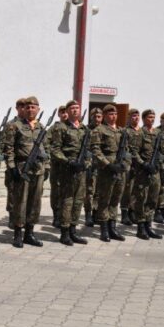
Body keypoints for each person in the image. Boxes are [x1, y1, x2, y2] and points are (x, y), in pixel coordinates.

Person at [4, 96, 50, 248]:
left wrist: (47, 167)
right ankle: (18, 234)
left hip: (38, 170)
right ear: (24, 109)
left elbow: (47, 149)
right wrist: (12, 168)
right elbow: (8, 149)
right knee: (20, 202)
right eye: (28, 107)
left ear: (38, 109)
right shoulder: (15, 126)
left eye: (33, 107)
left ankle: (29, 234)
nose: (30, 109)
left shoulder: (41, 127)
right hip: (22, 168)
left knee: (35, 203)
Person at [50, 100, 89, 246]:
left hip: (81, 170)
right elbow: (55, 149)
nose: (75, 110)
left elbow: (89, 151)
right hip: (67, 170)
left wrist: (86, 164)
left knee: (79, 201)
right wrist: (67, 161)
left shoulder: (84, 129)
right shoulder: (61, 128)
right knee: (67, 201)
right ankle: (64, 233)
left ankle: (73, 231)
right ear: (67, 111)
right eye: (72, 108)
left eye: (77, 108)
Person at [90, 104, 128, 242]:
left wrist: (125, 164)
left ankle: (113, 227)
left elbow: (127, 151)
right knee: (104, 200)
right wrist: (108, 164)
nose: (114, 116)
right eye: (110, 114)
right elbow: (95, 150)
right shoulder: (99, 130)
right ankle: (104, 229)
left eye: (115, 114)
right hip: (106, 170)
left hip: (120, 170)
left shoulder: (121, 131)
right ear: (105, 115)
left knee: (115, 199)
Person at [130, 109, 163, 240]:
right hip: (143, 171)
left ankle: (149, 225)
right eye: (149, 117)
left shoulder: (157, 133)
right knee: (141, 198)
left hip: (155, 171)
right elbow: (134, 152)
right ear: (143, 119)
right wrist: (143, 164)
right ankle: (141, 227)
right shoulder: (140, 134)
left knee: (153, 198)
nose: (152, 119)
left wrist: (158, 162)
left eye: (153, 117)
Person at [4, 98, 26, 229]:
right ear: (17, 108)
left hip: (26, 166)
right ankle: (12, 217)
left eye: (26, 106)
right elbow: (7, 146)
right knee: (13, 192)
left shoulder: (30, 124)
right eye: (21, 106)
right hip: (14, 164)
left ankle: (22, 218)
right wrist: (11, 165)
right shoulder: (11, 124)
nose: (24, 109)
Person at [48, 105, 68, 229]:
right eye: (62, 112)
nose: (65, 114)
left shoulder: (74, 127)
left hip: (70, 166)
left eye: (66, 112)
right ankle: (56, 215)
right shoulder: (53, 128)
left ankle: (65, 217)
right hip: (57, 165)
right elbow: (46, 143)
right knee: (56, 191)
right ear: (59, 114)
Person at [121, 108, 142, 226]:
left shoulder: (142, 131)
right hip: (129, 164)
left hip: (141, 164)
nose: (136, 118)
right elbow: (124, 148)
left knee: (137, 190)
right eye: (133, 116)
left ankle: (132, 211)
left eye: (137, 115)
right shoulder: (125, 131)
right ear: (129, 117)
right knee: (127, 190)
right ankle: (124, 213)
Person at [84, 107, 103, 227]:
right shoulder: (86, 130)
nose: (97, 119)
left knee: (99, 191)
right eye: (95, 116)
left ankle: (97, 213)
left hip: (103, 165)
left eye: (99, 116)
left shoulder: (105, 129)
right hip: (90, 165)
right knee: (90, 191)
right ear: (91, 117)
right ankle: (88, 215)